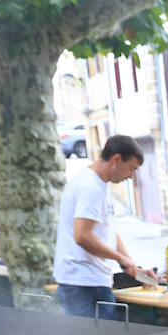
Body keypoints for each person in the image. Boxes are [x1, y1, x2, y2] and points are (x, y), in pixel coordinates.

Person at [53, 134, 155, 318]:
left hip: (90, 281)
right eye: (131, 168)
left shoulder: (100, 184)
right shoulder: (90, 187)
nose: (131, 176)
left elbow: (108, 231)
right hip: (83, 282)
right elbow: (82, 236)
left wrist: (131, 265)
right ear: (116, 159)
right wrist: (119, 258)